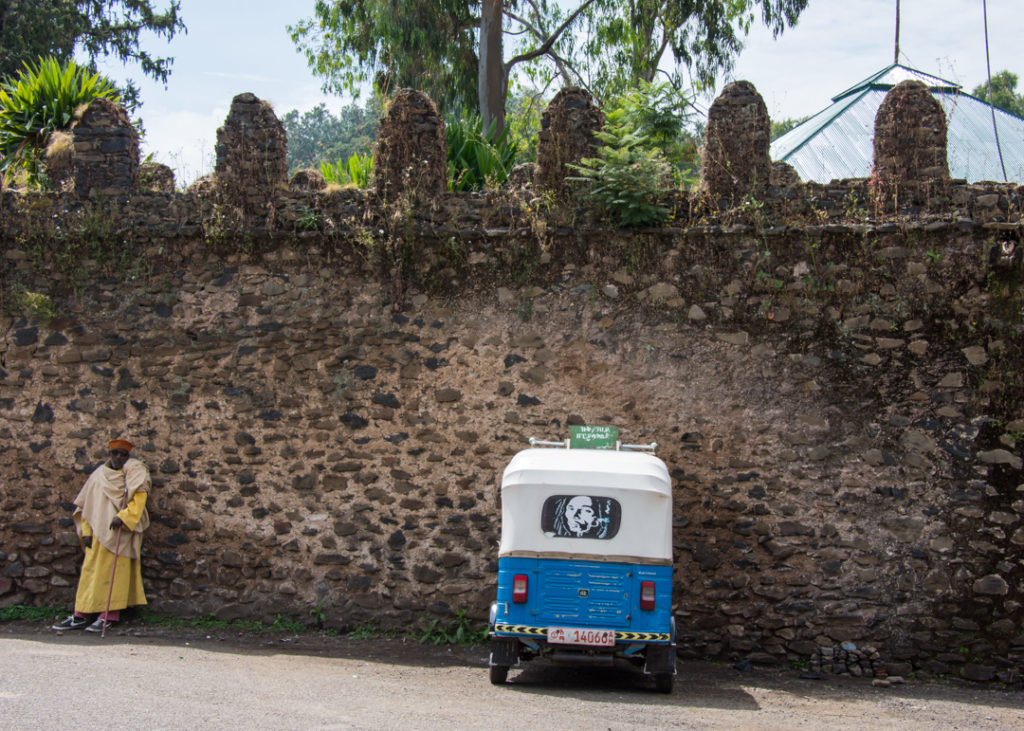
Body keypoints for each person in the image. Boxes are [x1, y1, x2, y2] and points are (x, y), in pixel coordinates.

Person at [52, 439, 151, 632]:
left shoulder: (133, 474)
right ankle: (81, 614)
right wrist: (86, 532)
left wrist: (123, 517)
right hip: (97, 532)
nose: (119, 457)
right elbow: (86, 504)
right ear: (110, 454)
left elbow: (138, 500)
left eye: (123, 454)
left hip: (119, 534)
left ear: (127, 456)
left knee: (116, 575)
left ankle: (110, 614)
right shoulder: (98, 476)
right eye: (115, 454)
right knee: (90, 573)